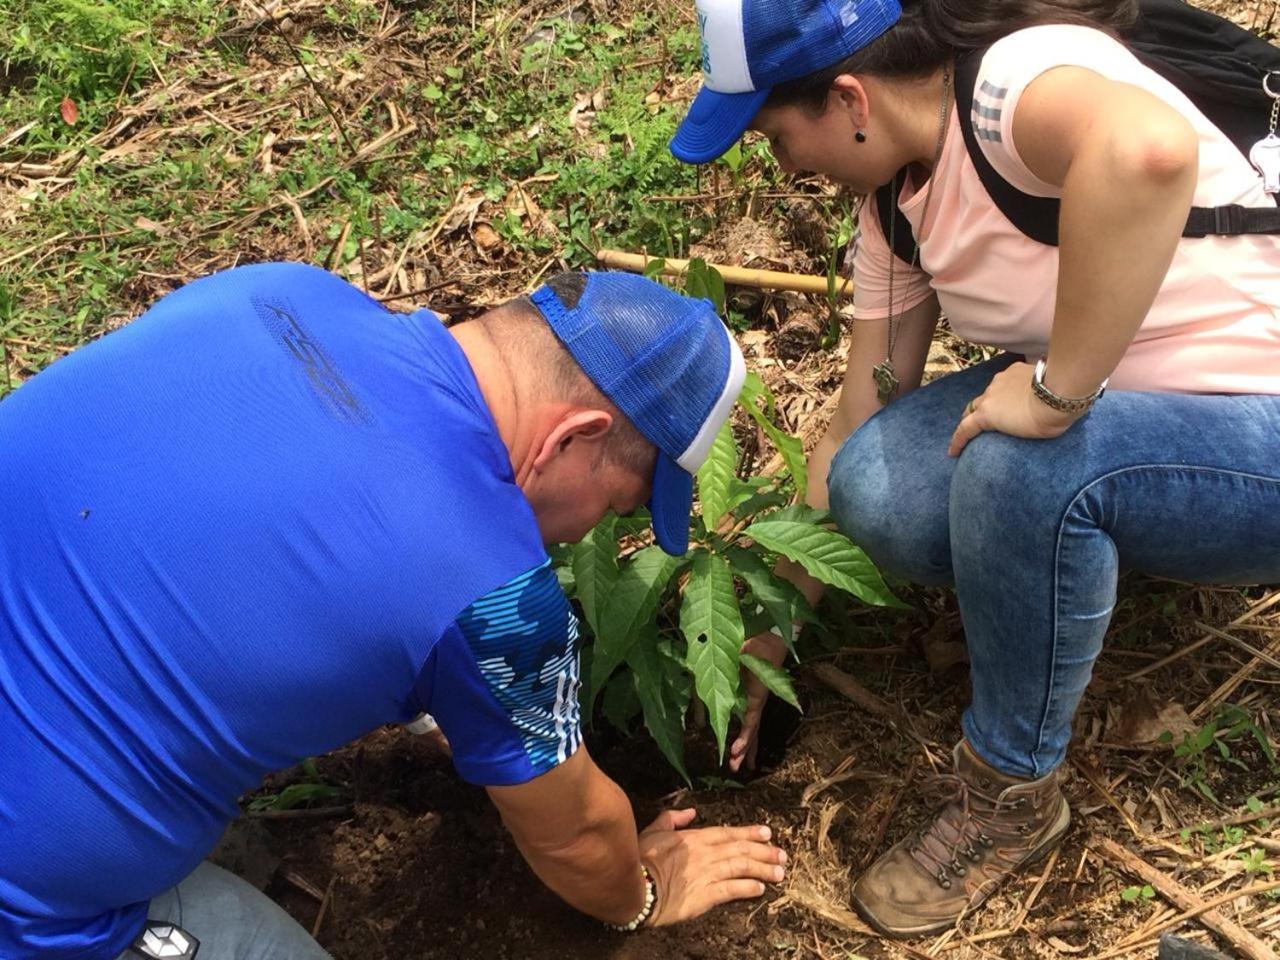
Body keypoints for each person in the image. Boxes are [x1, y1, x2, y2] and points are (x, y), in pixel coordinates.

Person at [669, 0, 1280, 939]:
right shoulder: (894, 206)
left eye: (776, 137)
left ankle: (1011, 793)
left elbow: (1149, 151)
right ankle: (1069, 561)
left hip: (1257, 430)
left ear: (847, 97)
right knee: (878, 484)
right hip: (1135, 429)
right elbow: (857, 419)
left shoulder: (1009, 85)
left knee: (1019, 464)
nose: (785, 168)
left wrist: (1056, 394)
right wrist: (767, 634)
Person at [0, 263, 790, 960]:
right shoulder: (495, 600)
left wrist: (435, 699)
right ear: (574, 438)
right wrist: (642, 890)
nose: (595, 532)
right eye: (617, 505)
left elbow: (266, 525)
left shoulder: (281, 292)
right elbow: (578, 834)